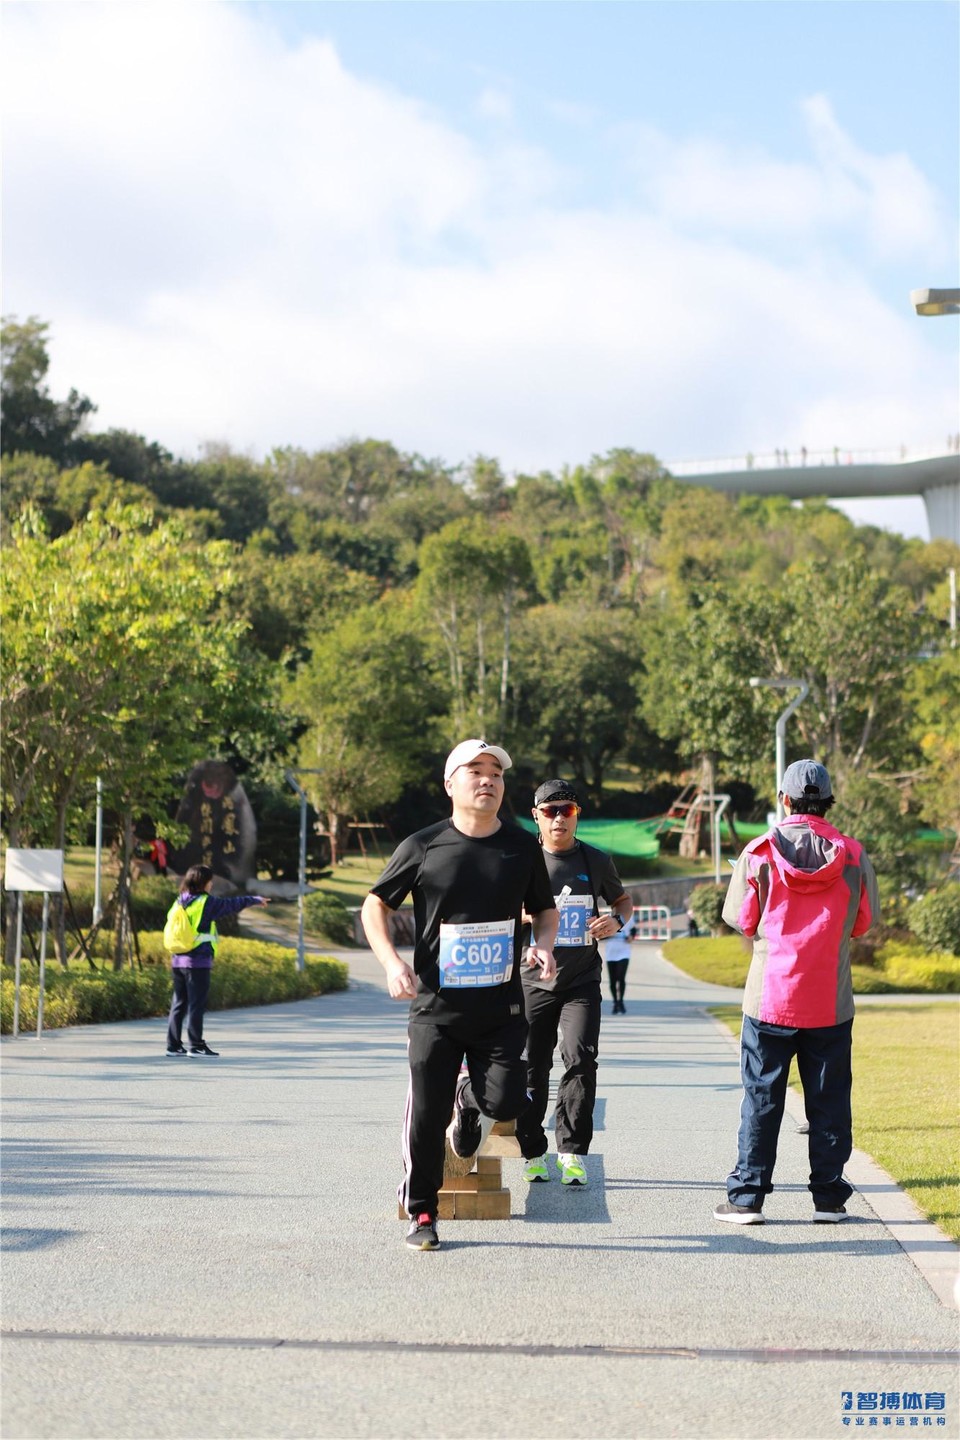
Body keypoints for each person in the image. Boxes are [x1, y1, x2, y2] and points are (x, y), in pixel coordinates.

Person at [360, 740, 558, 1251]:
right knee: (426, 1116)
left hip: (501, 1008)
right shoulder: (424, 845)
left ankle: (470, 1101)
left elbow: (545, 909)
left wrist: (544, 946)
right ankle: (423, 1212)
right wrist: (391, 963)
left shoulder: (521, 847)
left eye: (496, 772)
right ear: (451, 784)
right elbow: (374, 906)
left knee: (512, 1099)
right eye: (476, 770)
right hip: (436, 1011)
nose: (488, 779)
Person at [712, 760, 879, 1225]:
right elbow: (863, 923)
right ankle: (828, 1198)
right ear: (828, 800)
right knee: (828, 1099)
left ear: (783, 799)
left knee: (762, 1097)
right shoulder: (852, 855)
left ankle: (747, 1198)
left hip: (770, 998)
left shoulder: (760, 851)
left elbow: (740, 919)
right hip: (829, 998)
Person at [516, 780, 634, 1187]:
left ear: (577, 815)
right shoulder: (522, 858)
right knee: (533, 1065)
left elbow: (623, 901)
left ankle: (571, 1151)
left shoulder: (596, 860)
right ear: (536, 816)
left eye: (567, 810)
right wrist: (531, 919)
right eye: (550, 811)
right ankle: (531, 1149)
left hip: (581, 978)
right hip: (533, 980)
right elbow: (499, 909)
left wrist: (616, 921)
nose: (559, 818)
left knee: (580, 1059)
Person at [165, 863, 270, 1057]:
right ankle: (196, 1045)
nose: (211, 884)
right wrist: (254, 899)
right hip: (197, 962)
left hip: (178, 960)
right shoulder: (206, 903)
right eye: (209, 881)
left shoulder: (180, 901)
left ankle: (173, 1045)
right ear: (204, 882)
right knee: (196, 1004)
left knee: (179, 1003)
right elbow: (231, 905)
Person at [604, 909, 637, 1014]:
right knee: (612, 981)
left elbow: (633, 930)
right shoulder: (608, 918)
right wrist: (609, 934)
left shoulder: (628, 916)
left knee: (621, 977)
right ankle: (615, 1002)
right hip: (611, 952)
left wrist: (631, 937)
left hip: (624, 951)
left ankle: (621, 1001)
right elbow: (602, 936)